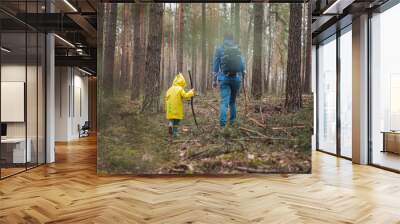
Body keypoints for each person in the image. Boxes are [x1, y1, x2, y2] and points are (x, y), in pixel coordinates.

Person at [212, 31, 245, 127]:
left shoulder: (219, 49)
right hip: (236, 78)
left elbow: (215, 66)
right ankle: (233, 122)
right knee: (233, 102)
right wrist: (242, 76)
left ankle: (222, 125)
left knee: (224, 102)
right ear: (233, 39)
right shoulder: (237, 48)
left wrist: (214, 80)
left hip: (224, 78)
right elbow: (242, 64)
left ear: (224, 38)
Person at [165, 73, 195, 137]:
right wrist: (191, 92)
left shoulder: (169, 89)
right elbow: (185, 95)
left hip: (170, 107)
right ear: (182, 82)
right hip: (177, 108)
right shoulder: (180, 89)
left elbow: (166, 98)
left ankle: (170, 124)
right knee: (177, 120)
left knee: (171, 118)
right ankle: (175, 133)